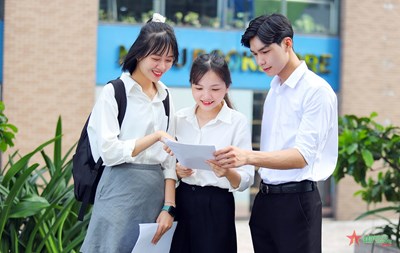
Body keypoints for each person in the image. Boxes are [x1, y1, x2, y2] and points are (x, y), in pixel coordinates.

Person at [213, 13, 338, 253]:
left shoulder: (316, 91)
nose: (260, 61)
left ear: (287, 43)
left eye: (265, 51)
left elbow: (302, 156)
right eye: (255, 54)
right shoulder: (274, 90)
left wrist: (248, 157)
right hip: (266, 199)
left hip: (297, 201)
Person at [80, 13, 179, 253]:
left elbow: (169, 159)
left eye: (169, 60)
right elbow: (110, 152)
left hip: (154, 194)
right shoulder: (114, 92)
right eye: (156, 58)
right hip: (118, 189)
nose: (162, 66)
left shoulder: (165, 97)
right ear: (138, 53)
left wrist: (168, 207)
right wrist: (155, 136)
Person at [168, 52, 254, 253]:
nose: (206, 96)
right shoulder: (179, 119)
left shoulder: (236, 122)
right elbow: (167, 165)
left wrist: (227, 172)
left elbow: (247, 179)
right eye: (198, 88)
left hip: (217, 205)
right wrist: (178, 171)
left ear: (227, 87)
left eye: (215, 89)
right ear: (191, 85)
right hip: (183, 200)